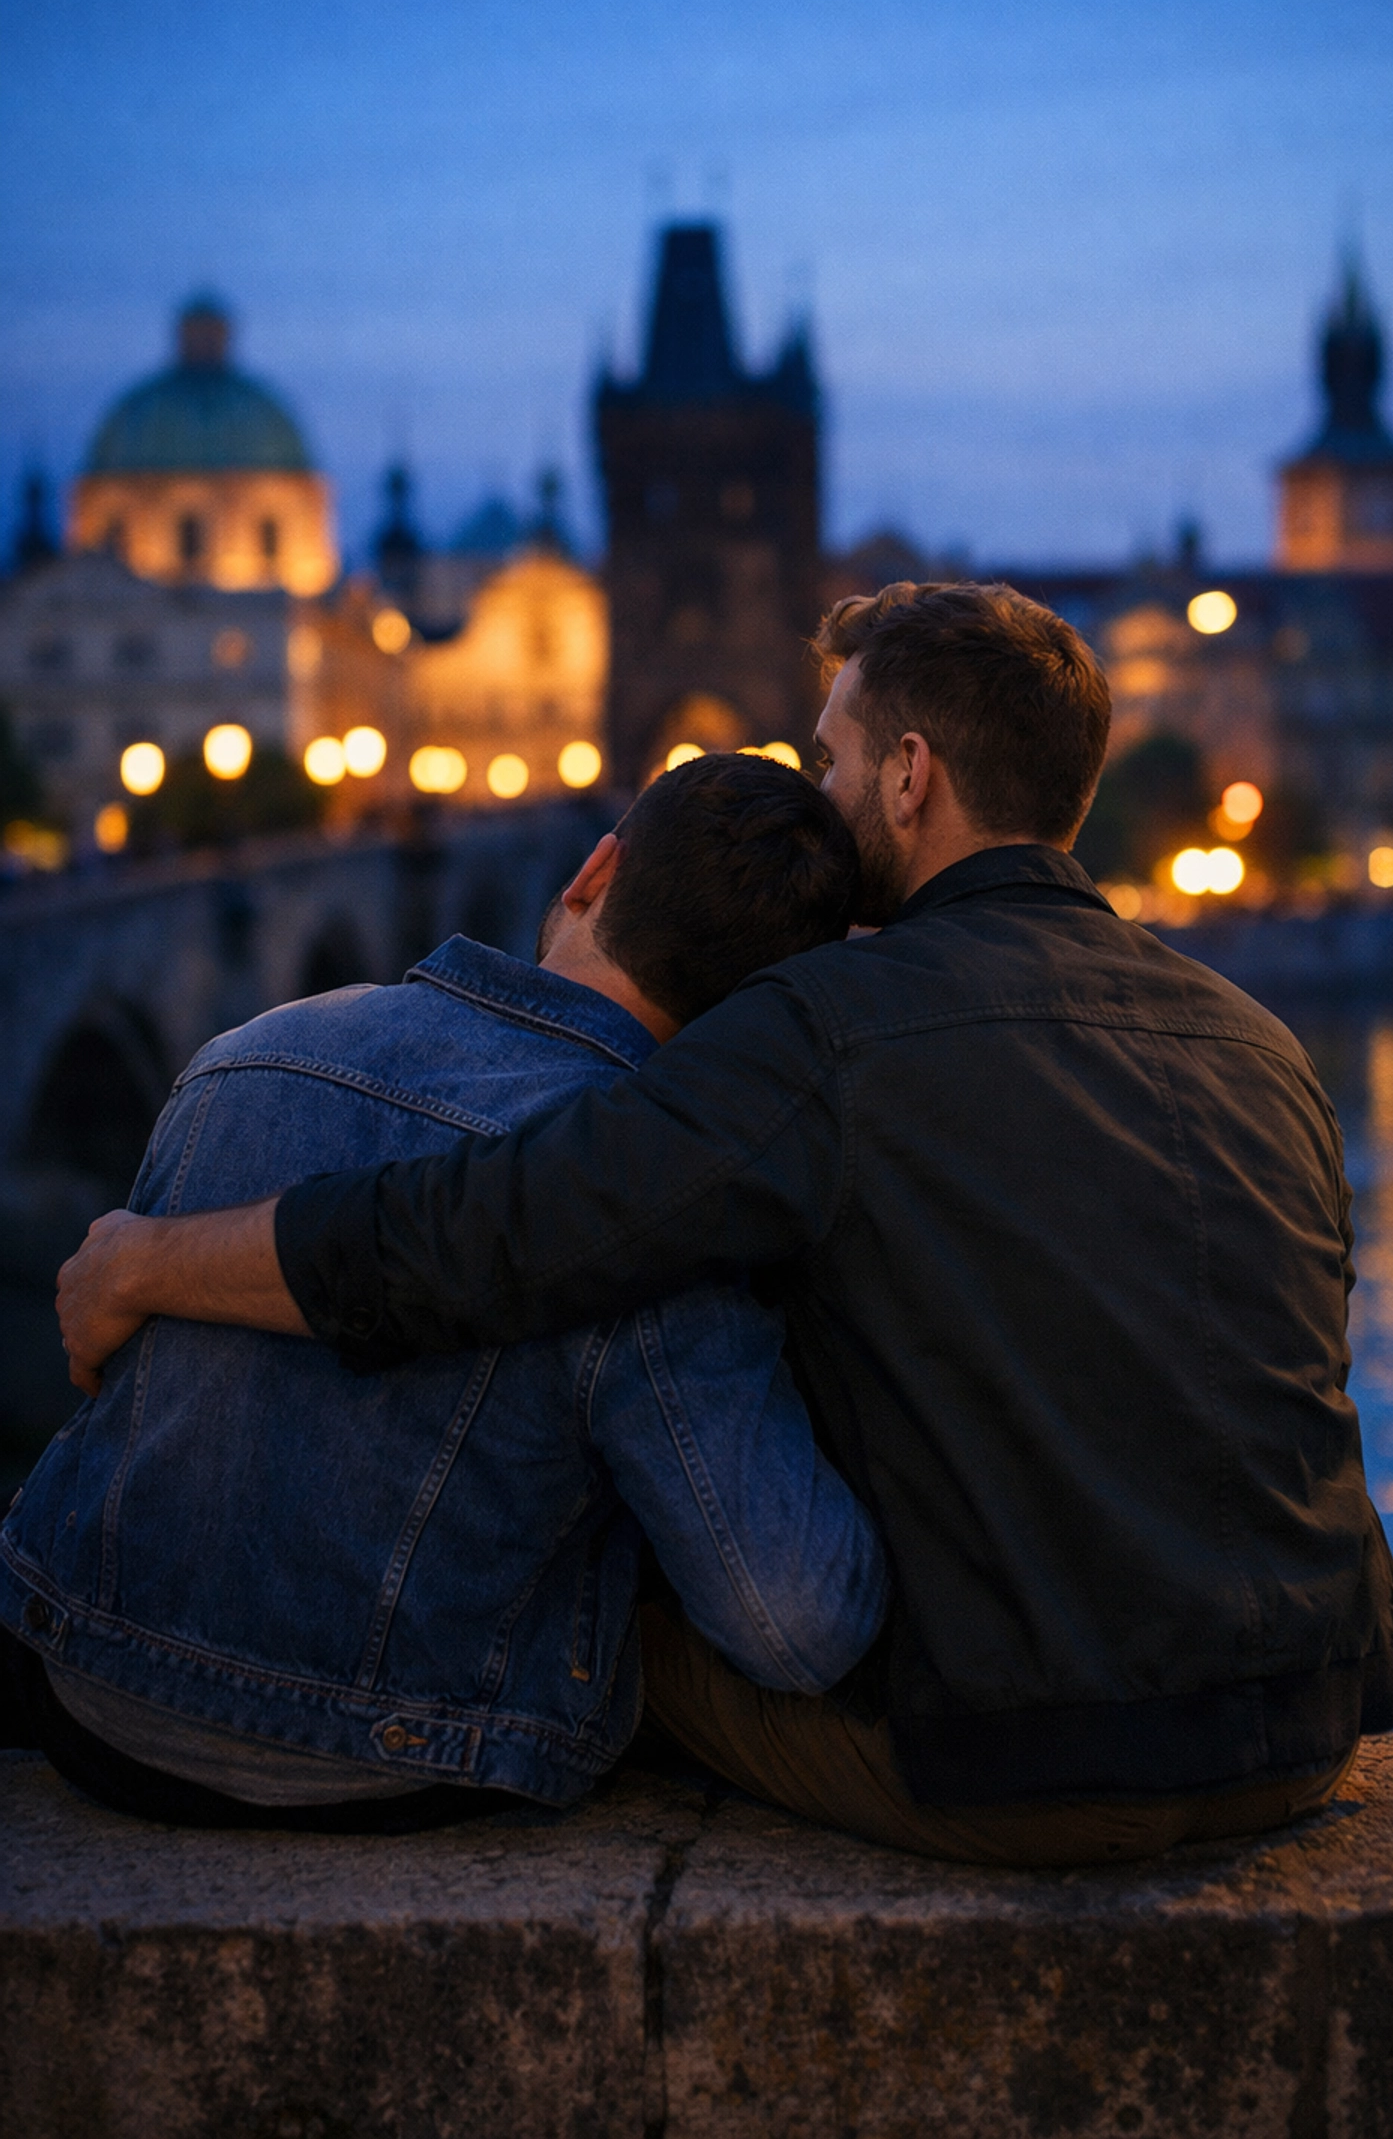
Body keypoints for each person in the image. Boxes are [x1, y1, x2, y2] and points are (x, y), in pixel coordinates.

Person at [52, 582, 1393, 1867]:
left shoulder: (829, 1028)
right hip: (1312, 1725)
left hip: (1035, 1764)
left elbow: (497, 1231)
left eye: (830, 763)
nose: (824, 804)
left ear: (909, 776)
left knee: (616, 1602)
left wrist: (150, 1257)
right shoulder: (1261, 1041)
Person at [2, 754, 888, 1831]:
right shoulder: (654, 1210)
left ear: (594, 873)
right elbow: (792, 1621)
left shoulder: (245, 1053)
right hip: (388, 1757)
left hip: (82, 1692)